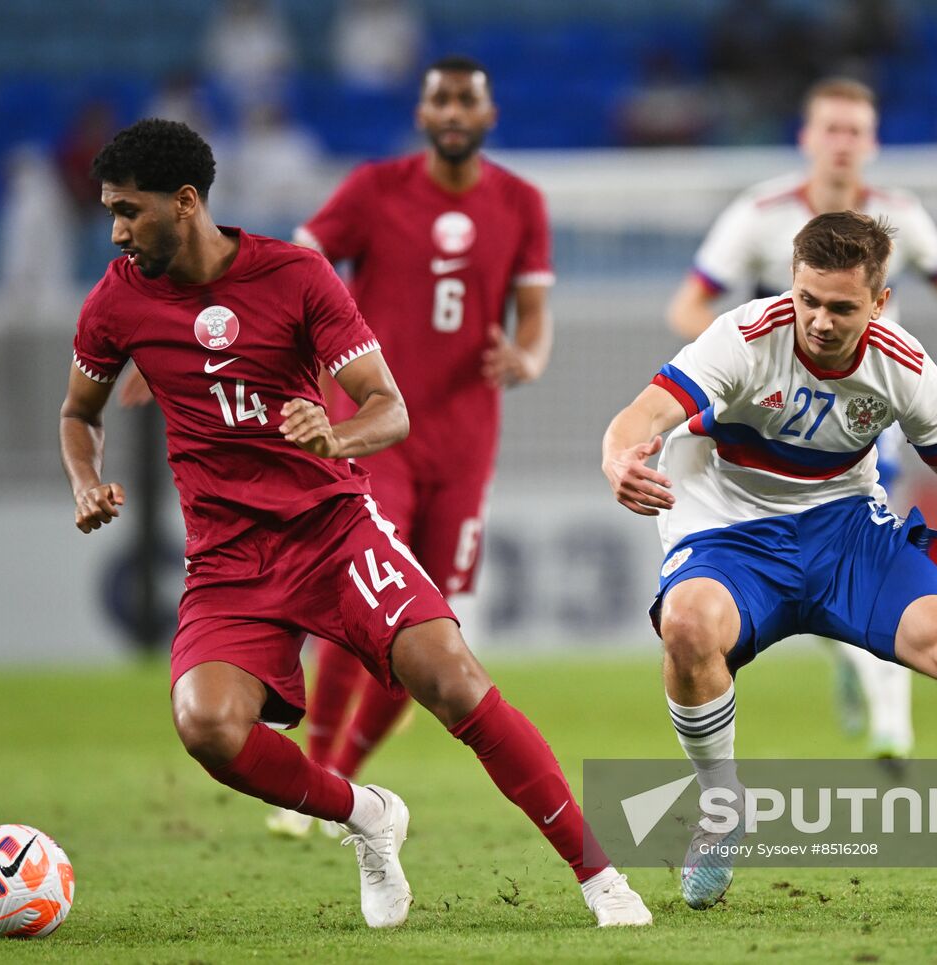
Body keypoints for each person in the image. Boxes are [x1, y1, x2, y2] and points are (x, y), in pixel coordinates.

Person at [59, 118, 650, 929]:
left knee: (455, 684)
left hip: (335, 532)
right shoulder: (118, 299)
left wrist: (331, 436)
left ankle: (602, 878)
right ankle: (366, 814)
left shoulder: (296, 275)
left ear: (186, 202)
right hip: (229, 561)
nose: (118, 231)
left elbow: (389, 409)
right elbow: (77, 410)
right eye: (111, 212)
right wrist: (86, 477)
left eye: (129, 211)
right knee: (206, 725)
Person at [604, 211, 937, 910]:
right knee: (688, 625)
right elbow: (639, 417)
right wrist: (618, 458)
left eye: (842, 306)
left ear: (879, 302)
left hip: (845, 532)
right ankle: (721, 808)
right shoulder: (741, 337)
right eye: (808, 299)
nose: (820, 320)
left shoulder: (905, 366)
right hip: (731, 529)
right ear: (791, 285)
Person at [666, 77, 937, 765]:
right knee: (783, 573)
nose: (842, 144)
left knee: (869, 549)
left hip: (868, 414)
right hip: (770, 424)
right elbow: (689, 307)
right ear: (808, 137)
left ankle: (890, 717)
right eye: (830, 129)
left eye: (855, 131)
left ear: (872, 142)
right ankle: (850, 654)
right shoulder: (759, 214)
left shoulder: (901, 215)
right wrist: (733, 370)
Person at [259, 55, 555, 839]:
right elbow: (297, 264)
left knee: (432, 626)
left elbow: (533, 315)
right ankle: (314, 781)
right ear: (422, 115)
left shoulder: (522, 202)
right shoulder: (373, 189)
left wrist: (527, 356)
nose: (454, 112)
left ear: (489, 116)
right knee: (364, 602)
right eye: (440, 100)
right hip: (370, 430)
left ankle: (337, 780)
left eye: (468, 100)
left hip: (464, 444)